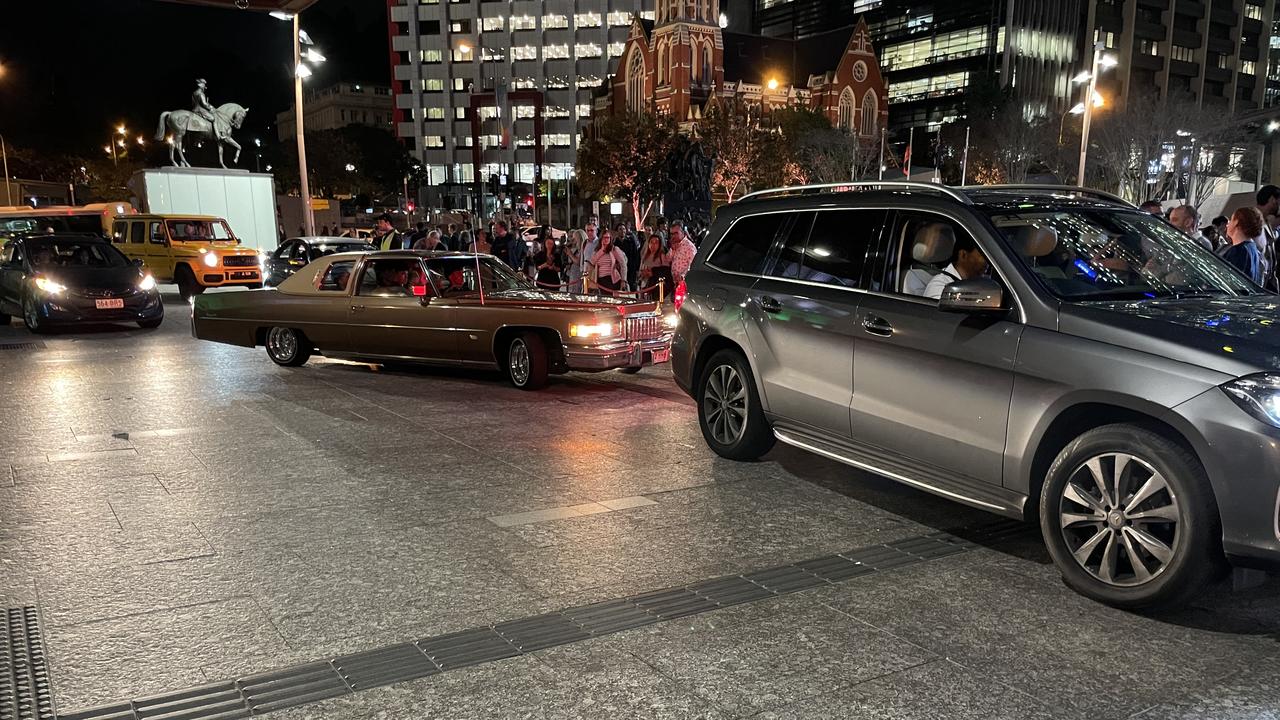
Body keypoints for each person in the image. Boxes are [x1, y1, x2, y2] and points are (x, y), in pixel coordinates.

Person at [924, 234, 989, 300]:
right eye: (983, 256)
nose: (988, 262)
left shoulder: (983, 283)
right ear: (963, 255)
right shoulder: (940, 286)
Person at [1223, 206, 1265, 285]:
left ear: (1236, 222)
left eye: (1231, 219)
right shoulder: (1252, 249)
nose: (1227, 224)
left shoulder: (1239, 251)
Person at [1255, 185, 1280, 288]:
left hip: (1265, 281)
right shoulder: (1251, 220)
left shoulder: (1267, 223)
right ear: (1272, 199)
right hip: (1254, 280)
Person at [591, 229, 627, 293]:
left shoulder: (614, 249)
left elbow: (623, 264)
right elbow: (592, 261)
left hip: (612, 279)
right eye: (604, 237)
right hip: (601, 279)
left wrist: (623, 280)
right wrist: (602, 250)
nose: (606, 239)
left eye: (608, 237)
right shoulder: (597, 250)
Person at [638, 233, 672, 300]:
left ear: (659, 245)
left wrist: (653, 273)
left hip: (655, 285)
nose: (653, 245)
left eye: (656, 243)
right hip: (644, 284)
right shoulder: (645, 256)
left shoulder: (661, 256)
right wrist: (642, 274)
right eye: (651, 242)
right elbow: (640, 269)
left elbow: (666, 270)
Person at [667, 220, 696, 286]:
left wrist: (682, 276)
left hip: (685, 282)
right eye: (671, 234)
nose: (673, 236)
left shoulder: (689, 246)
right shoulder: (674, 245)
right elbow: (668, 260)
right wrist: (673, 250)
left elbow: (693, 265)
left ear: (682, 232)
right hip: (674, 282)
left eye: (676, 233)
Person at [617, 222, 641, 290]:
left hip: (631, 269)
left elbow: (636, 255)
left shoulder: (631, 241)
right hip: (620, 270)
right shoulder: (615, 243)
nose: (622, 231)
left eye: (624, 229)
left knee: (633, 288)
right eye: (620, 229)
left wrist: (637, 269)